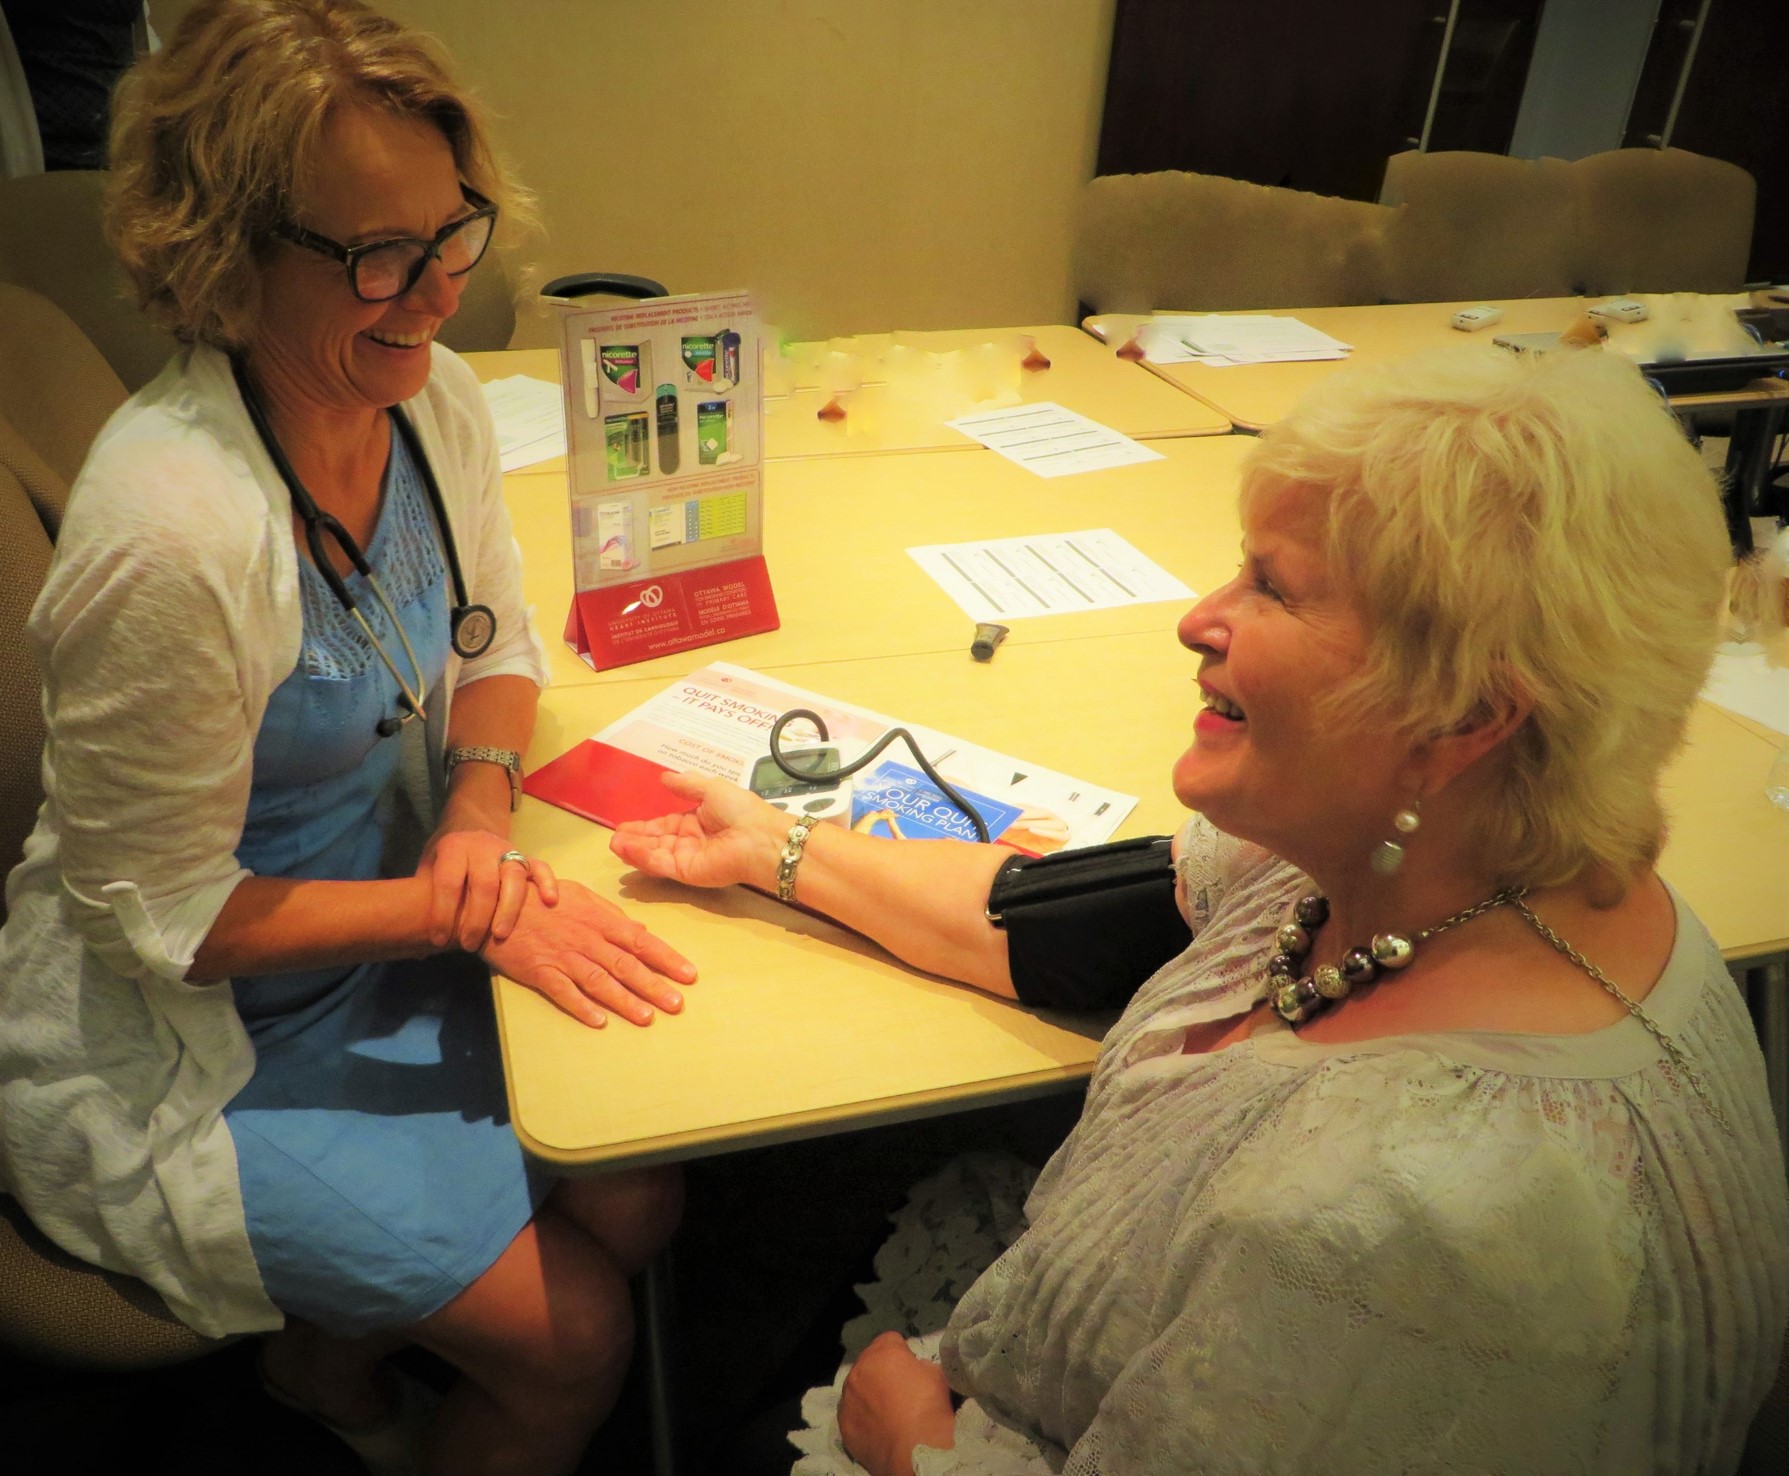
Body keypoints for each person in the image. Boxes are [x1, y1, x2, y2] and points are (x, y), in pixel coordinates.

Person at [613, 344, 1789, 1474]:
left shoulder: (1399, 1231)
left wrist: (914, 1444)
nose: (1197, 616)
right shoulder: (1436, 864)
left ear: (1462, 717)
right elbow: (1026, 921)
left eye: (1271, 589)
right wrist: (779, 844)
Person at [0, 3, 696, 1473]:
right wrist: (452, 910)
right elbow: (161, 920)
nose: (437, 295)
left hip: (401, 912)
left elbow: (497, 647)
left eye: (453, 235)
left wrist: (478, 829)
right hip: (198, 1043)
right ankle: (371, 1372)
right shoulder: (173, 534)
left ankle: (325, 1362)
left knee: (640, 1192)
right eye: (378, 255)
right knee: (580, 1342)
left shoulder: (426, 401)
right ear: (223, 251)